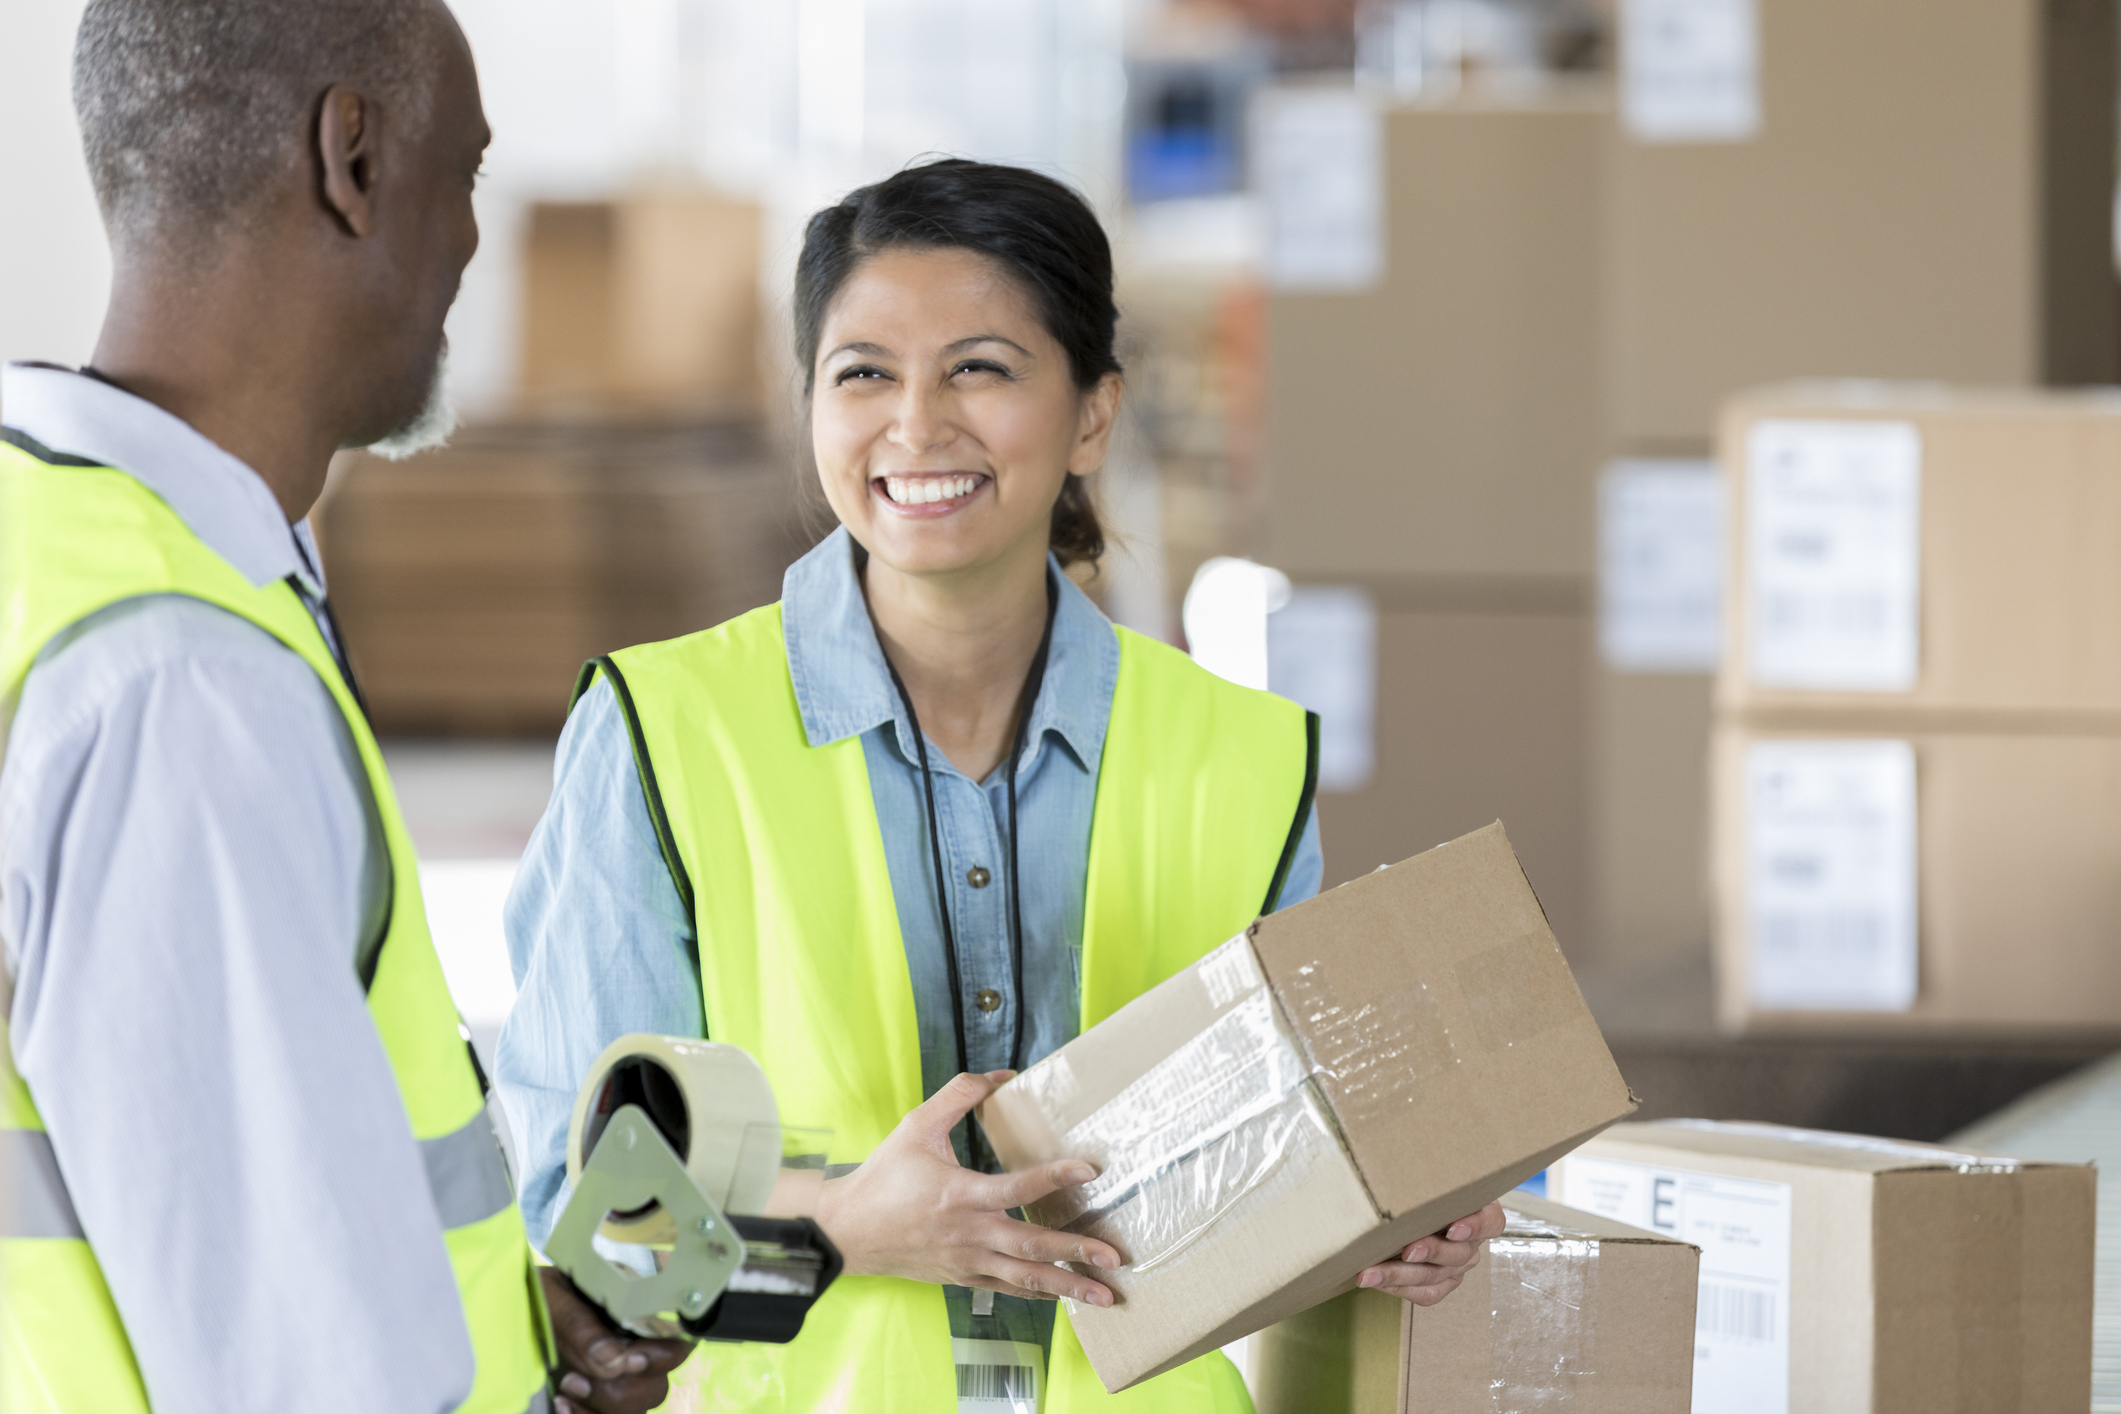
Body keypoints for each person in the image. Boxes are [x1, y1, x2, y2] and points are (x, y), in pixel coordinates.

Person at [499, 158, 1506, 1412]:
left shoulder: (1241, 759)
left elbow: (1274, 1177)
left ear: (1092, 414)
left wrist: (1392, 1224)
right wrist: (850, 1226)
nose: (916, 426)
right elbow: (583, 1221)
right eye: (862, 372)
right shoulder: (663, 733)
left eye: (979, 367)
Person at [0, 3, 687, 1410]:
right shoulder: (180, 685)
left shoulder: (48, 541)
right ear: (353, 161)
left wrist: (498, 1314)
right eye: (467, 174)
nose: (475, 243)